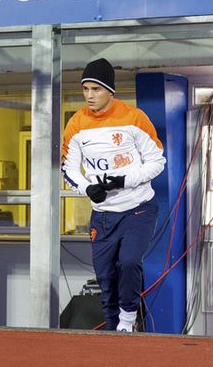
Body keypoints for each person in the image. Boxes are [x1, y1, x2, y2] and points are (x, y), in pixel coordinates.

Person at [61, 58, 166, 332]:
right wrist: (87, 188)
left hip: (138, 208)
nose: (89, 96)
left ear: (110, 91)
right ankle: (112, 326)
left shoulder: (134, 118)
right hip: (103, 214)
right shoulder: (76, 124)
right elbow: (68, 167)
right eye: (85, 89)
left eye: (96, 89)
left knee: (129, 261)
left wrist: (125, 179)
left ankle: (128, 321)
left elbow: (157, 161)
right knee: (105, 276)